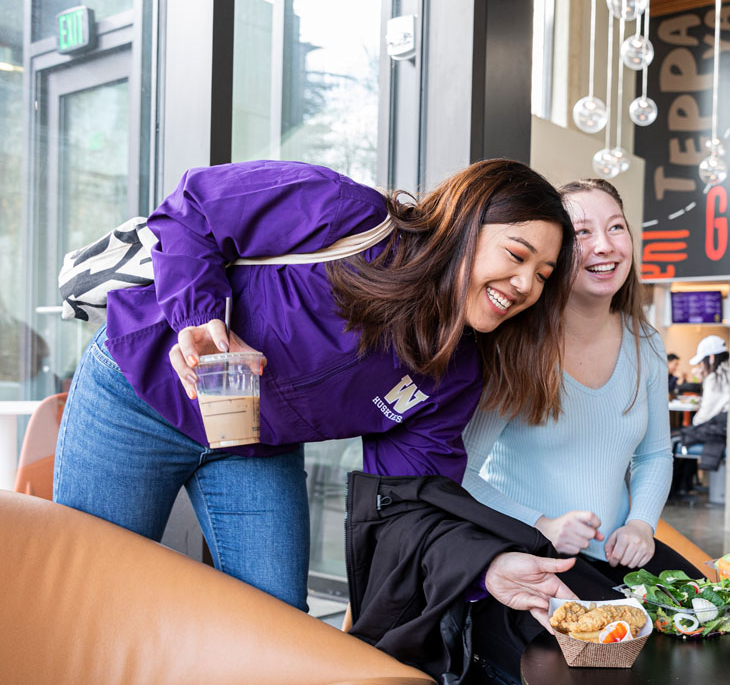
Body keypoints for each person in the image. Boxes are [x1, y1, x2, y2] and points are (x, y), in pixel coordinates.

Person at [53, 158, 579, 619]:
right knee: (95, 589)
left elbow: (409, 505)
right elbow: (193, 207)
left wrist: (484, 568)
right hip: (138, 395)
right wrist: (200, 314)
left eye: (543, 275)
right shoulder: (349, 214)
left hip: (252, 445)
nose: (526, 285)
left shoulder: (454, 373)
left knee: (278, 622)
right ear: (465, 225)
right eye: (516, 255)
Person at [461, 178, 696, 681]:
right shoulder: (517, 345)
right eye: (583, 232)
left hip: (620, 556)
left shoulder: (647, 344)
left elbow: (656, 455)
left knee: (709, 628)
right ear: (558, 252)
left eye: (616, 228)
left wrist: (641, 524)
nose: (605, 246)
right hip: (531, 560)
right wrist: (541, 523)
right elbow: (458, 471)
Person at [689, 334, 729, 426]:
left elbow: (703, 417)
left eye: (701, 362)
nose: (701, 366)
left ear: (711, 358)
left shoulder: (717, 378)